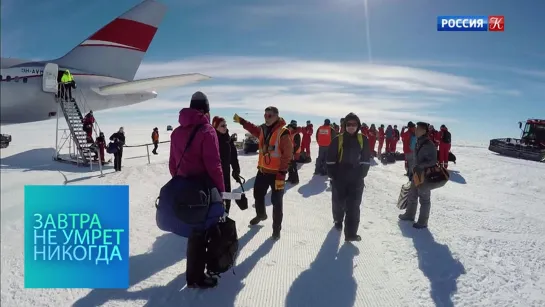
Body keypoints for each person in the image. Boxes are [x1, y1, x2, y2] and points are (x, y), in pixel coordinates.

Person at [169, 91, 225, 289]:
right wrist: (221, 192)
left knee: (195, 233)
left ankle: (195, 274)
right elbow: (214, 165)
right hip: (203, 191)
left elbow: (172, 164)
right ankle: (197, 277)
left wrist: (181, 182)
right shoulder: (207, 131)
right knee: (207, 232)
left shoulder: (176, 132)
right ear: (206, 110)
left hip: (184, 189)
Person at [233, 107, 292, 240]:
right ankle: (261, 215)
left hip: (277, 174)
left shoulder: (283, 133)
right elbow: (252, 128)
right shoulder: (262, 129)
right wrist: (241, 121)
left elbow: (287, 155)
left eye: (270, 115)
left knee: (276, 202)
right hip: (263, 171)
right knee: (257, 195)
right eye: (265, 115)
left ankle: (276, 229)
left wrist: (282, 174)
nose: (267, 117)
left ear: (277, 116)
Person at [326, 112, 371, 241]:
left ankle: (350, 234)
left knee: (354, 206)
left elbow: (366, 159)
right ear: (344, 125)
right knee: (339, 202)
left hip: (356, 177)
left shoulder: (363, 139)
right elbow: (330, 160)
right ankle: (338, 220)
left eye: (354, 124)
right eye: (349, 124)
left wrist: (362, 174)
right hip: (340, 176)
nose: (351, 126)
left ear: (358, 126)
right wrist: (333, 175)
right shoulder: (337, 140)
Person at [399, 122, 438, 229]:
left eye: (418, 129)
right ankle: (409, 215)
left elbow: (433, 161)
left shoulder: (429, 145)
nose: (416, 130)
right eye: (416, 128)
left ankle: (422, 222)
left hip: (425, 175)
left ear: (424, 131)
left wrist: (420, 166)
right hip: (416, 173)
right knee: (412, 195)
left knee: (424, 199)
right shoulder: (418, 142)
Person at [212, 116, 241, 213]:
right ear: (215, 127)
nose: (225, 127)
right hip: (213, 174)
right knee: (216, 196)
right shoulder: (211, 140)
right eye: (222, 125)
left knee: (226, 194)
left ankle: (226, 212)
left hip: (226, 172)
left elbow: (234, 157)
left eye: (225, 125)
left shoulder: (228, 140)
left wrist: (236, 171)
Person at [287, 120, 301, 184]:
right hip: (290, 151)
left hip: (294, 152)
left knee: (293, 166)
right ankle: (290, 178)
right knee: (289, 165)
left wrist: (293, 152)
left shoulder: (296, 134)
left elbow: (297, 144)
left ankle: (295, 179)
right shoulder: (290, 133)